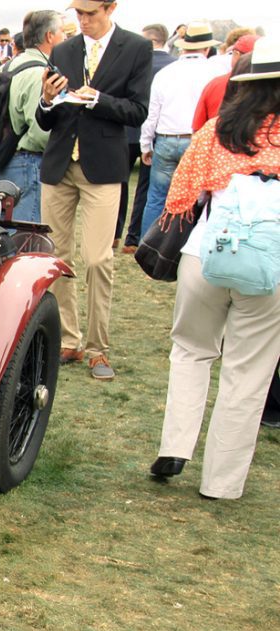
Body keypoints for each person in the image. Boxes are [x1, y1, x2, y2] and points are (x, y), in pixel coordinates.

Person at [151, 38, 280, 499]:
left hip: (206, 252)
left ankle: (175, 445)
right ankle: (222, 482)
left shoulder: (217, 130)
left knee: (190, 350)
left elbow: (181, 196)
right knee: (248, 371)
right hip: (270, 265)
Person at [36, 0, 151, 382]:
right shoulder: (64, 50)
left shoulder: (136, 47)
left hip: (103, 166)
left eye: (90, 13)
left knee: (98, 259)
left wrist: (98, 100)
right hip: (59, 165)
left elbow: (137, 111)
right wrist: (47, 99)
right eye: (78, 14)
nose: (83, 20)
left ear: (110, 8)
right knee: (56, 256)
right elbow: (45, 118)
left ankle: (97, 347)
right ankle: (68, 339)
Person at [138, 21, 221, 237]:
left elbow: (152, 113)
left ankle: (147, 244)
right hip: (196, 141)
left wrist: (145, 144)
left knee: (156, 197)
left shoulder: (165, 73)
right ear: (206, 48)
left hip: (165, 139)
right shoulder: (215, 73)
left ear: (184, 47)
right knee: (194, 200)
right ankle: (181, 245)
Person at [0, 10, 66, 223]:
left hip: (6, 157)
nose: (65, 38)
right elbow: (39, 133)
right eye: (62, 32)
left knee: (5, 227)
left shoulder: (9, 65)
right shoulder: (39, 73)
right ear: (50, 36)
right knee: (25, 232)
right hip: (29, 162)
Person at [120, 23, 178, 251]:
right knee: (146, 189)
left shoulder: (134, 62)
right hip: (155, 132)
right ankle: (135, 238)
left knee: (119, 185)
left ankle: (115, 235)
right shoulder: (173, 66)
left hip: (128, 129)